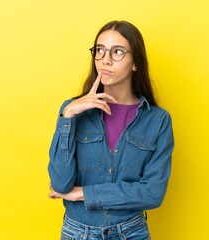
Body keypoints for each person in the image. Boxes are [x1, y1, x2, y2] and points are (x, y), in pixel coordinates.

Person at [48, 20, 174, 240]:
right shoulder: (72, 111)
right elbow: (60, 184)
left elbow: (152, 193)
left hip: (131, 233)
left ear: (135, 62)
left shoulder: (158, 120)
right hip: (78, 233)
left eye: (117, 52)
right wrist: (67, 117)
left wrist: (83, 194)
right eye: (100, 50)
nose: (105, 60)